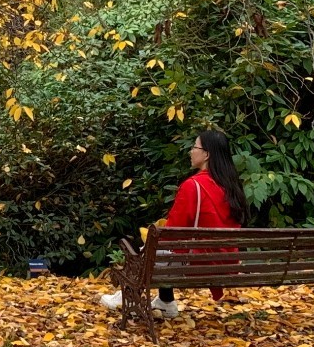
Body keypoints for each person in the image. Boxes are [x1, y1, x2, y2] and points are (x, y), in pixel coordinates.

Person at [101, 128, 249, 316]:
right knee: (162, 247)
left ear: (206, 154)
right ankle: (165, 301)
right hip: (225, 263)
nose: (190, 151)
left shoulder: (193, 186)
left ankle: (129, 293)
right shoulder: (231, 186)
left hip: (198, 263)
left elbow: (170, 234)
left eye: (194, 146)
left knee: (152, 245)